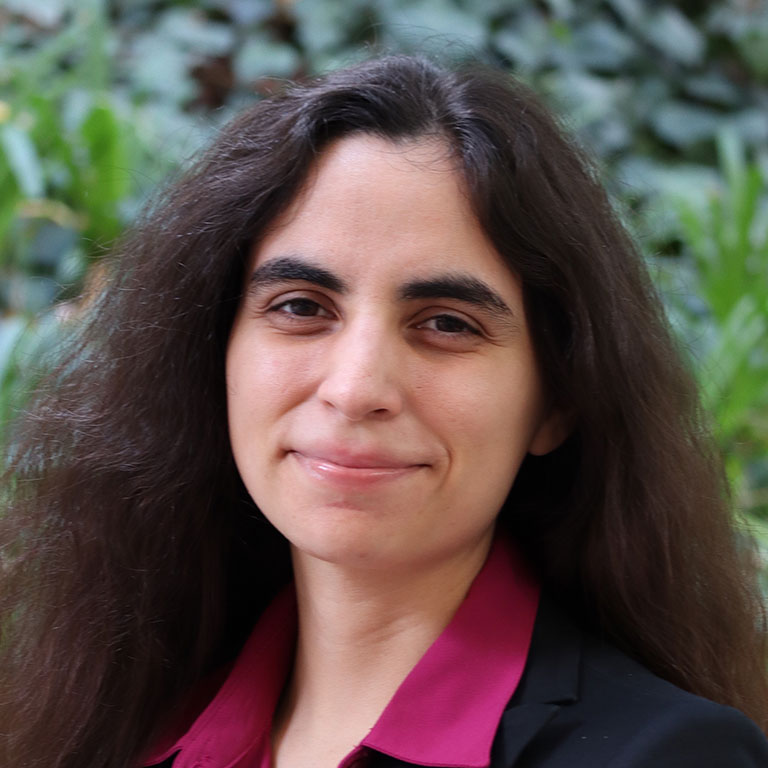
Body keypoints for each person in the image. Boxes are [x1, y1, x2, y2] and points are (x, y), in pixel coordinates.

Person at [1, 55, 767, 768]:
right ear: (215, 356)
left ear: (557, 401)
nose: (356, 385)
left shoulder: (666, 754)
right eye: (301, 306)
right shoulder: (116, 725)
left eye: (446, 323)